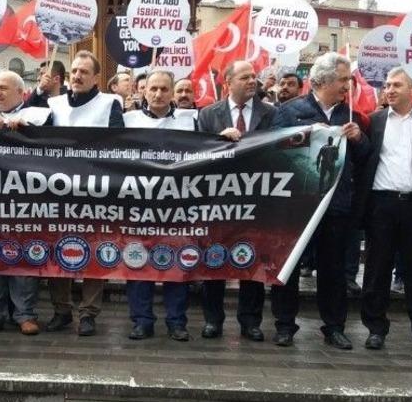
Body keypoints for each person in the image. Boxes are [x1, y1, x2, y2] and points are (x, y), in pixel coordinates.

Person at [270, 52, 371, 349]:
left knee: (334, 270)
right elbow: (275, 151)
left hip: (336, 205)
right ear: (323, 80)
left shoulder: (352, 115)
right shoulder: (290, 111)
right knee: (289, 266)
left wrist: (358, 140)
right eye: (342, 80)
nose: (347, 86)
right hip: (297, 206)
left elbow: (366, 160)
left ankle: (335, 326)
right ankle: (285, 324)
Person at [355, 67, 412, 354]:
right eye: (387, 85)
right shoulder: (375, 120)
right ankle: (375, 328)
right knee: (377, 270)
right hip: (381, 205)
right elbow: (364, 158)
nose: (389, 90)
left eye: (396, 85)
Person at [45, 50, 124, 336]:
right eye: (74, 71)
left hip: (95, 192)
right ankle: (61, 309)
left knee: (93, 249)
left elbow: (119, 145)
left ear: (96, 78)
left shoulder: (110, 104)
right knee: (58, 248)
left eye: (83, 72)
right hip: (58, 190)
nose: (77, 76)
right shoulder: (52, 104)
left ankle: (89, 312)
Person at [196, 60, 273, 341]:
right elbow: (198, 153)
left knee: (252, 260)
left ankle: (250, 321)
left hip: (256, 200)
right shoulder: (208, 115)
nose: (252, 81)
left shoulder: (270, 113)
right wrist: (219, 140)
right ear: (228, 82)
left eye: (254, 76)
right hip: (218, 200)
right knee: (214, 259)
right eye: (245, 77)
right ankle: (213, 319)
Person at [0, 71, 51, 336]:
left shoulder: (38, 114)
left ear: (21, 92)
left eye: (4, 88)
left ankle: (25, 314)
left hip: (25, 201)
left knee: (24, 257)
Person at [123, 69, 196, 341]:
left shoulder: (191, 122)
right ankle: (142, 320)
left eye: (164, 89)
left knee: (177, 264)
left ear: (172, 92)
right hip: (137, 206)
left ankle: (176, 321)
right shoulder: (127, 121)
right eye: (153, 88)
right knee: (137, 262)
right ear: (144, 90)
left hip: (176, 207)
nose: (158, 94)